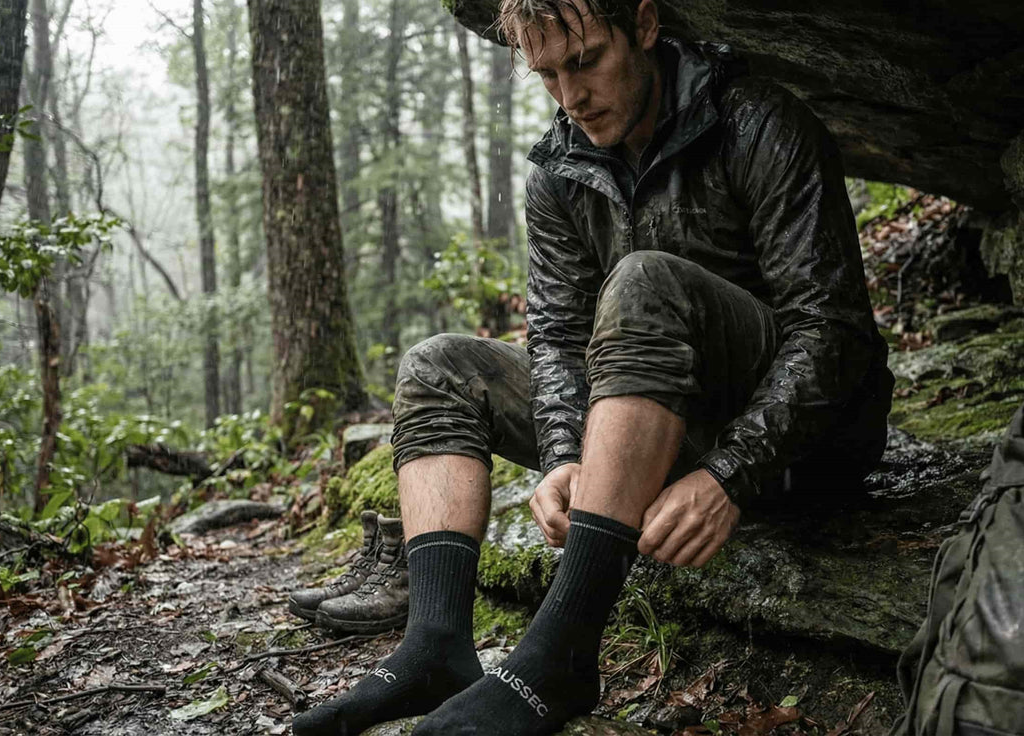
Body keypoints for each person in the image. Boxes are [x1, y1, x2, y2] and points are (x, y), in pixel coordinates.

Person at [293, 0, 892, 733]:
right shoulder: (560, 168)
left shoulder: (758, 121)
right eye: (547, 75)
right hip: (647, 431)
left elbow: (833, 330)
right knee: (438, 367)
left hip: (804, 443)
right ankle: (435, 648)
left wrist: (732, 473)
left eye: (585, 62)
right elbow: (555, 336)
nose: (571, 96)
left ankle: (561, 655)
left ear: (642, 26)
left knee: (643, 280)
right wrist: (561, 458)